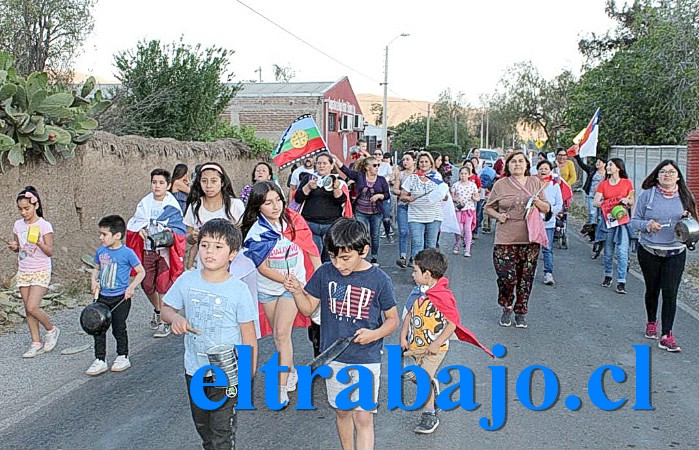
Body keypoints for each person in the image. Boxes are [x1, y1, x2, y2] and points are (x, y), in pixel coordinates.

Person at [284, 218, 399, 450]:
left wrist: (374, 334)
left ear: (364, 251)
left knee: (364, 416)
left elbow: (393, 320)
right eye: (334, 256)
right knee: (343, 411)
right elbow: (308, 309)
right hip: (334, 356)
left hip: (367, 357)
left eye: (345, 258)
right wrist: (297, 291)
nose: (338, 263)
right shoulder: (326, 273)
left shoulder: (380, 280)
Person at [161, 219, 258, 450]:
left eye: (217, 247)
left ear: (232, 253)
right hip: (195, 370)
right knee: (204, 428)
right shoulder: (187, 280)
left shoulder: (239, 290)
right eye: (204, 245)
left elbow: (249, 336)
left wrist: (247, 376)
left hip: (227, 374)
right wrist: (175, 319)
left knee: (221, 433)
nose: (209, 252)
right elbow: (166, 308)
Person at [241, 181, 321, 403]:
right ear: (258, 206)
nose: (275, 206)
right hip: (268, 289)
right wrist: (285, 279)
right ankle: (291, 370)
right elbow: (262, 267)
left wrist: (319, 275)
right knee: (279, 339)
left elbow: (310, 247)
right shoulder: (256, 232)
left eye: (278, 200)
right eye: (268, 202)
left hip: (293, 289)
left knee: (281, 335)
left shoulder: (293, 220)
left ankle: (281, 388)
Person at [400, 248, 492, 434]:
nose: (412, 274)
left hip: (436, 348)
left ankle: (429, 415)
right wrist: (403, 337)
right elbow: (409, 315)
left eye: (415, 271)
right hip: (416, 345)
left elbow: (452, 323)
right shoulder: (417, 293)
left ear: (427, 274)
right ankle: (432, 388)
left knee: (423, 378)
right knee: (413, 376)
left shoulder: (442, 296)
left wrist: (437, 343)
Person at [630, 160, 696, 352]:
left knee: (670, 292)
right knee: (652, 289)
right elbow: (634, 221)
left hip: (675, 251)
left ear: (678, 176)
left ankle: (667, 334)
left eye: (671, 172)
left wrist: (687, 220)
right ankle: (651, 321)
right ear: (657, 175)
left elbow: (694, 223)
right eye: (663, 172)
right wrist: (647, 225)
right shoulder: (647, 196)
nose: (667, 175)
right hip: (650, 250)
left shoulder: (685, 197)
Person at [485, 151, 551, 329]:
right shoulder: (500, 184)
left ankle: (521, 312)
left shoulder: (535, 182)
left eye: (521, 161)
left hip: (529, 237)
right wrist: (499, 216)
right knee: (506, 276)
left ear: (527, 165)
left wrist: (537, 202)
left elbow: (547, 208)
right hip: (505, 236)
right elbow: (488, 207)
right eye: (513, 161)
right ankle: (507, 305)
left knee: (525, 277)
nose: (517, 164)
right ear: (507, 165)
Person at [126, 168, 187, 338]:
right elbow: (135, 222)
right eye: (154, 182)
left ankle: (164, 321)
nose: (157, 186)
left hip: (164, 251)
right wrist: (140, 229)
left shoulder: (172, 205)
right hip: (147, 249)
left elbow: (178, 227)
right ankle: (158, 310)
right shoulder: (144, 203)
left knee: (162, 284)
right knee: (146, 284)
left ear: (168, 185)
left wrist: (169, 231)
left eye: (161, 183)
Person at [86, 215, 146, 376]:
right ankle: (100, 359)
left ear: (117, 235)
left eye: (104, 234)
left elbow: (141, 272)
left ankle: (122, 355)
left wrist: (132, 287)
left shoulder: (127, 253)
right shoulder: (101, 251)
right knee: (98, 328)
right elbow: (97, 268)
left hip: (121, 297)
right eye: (100, 234)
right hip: (103, 296)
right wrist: (94, 280)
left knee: (118, 327)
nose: (101, 238)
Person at [8, 187, 59, 358]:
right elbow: (19, 248)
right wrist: (15, 247)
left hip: (41, 269)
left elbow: (50, 251)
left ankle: (51, 329)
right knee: (28, 309)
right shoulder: (17, 225)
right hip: (24, 269)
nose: (23, 212)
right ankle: (35, 342)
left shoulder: (44, 225)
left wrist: (38, 242)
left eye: (26, 208)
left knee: (32, 306)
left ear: (35, 205)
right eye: (20, 209)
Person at [184, 162, 245, 268]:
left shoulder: (235, 205)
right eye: (204, 181)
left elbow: (243, 235)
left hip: (230, 265)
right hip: (203, 264)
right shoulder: (195, 206)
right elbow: (188, 237)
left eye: (214, 181)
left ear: (222, 182)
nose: (208, 186)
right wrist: (192, 236)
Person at [295, 153, 350, 262]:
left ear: (331, 165)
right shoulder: (309, 179)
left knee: (330, 258)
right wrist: (308, 187)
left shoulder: (339, 182)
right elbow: (298, 198)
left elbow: (343, 201)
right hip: (311, 225)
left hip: (331, 226)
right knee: (314, 258)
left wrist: (336, 188)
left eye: (325, 163)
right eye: (319, 163)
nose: (322, 166)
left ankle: (327, 278)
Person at [336, 155, 391, 265]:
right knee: (361, 234)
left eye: (378, 165)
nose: (377, 167)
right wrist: (335, 159)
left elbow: (387, 194)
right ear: (367, 167)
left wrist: (380, 196)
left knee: (374, 235)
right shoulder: (360, 176)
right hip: (361, 211)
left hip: (376, 212)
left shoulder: (381, 179)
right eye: (374, 165)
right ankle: (361, 256)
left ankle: (374, 257)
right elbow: (346, 170)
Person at [593, 158, 635, 294]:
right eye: (608, 165)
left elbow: (632, 200)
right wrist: (608, 203)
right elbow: (595, 202)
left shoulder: (627, 183)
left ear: (618, 168)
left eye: (611, 164)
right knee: (608, 251)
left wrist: (626, 201)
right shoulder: (603, 184)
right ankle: (608, 275)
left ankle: (621, 281)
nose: (608, 167)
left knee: (623, 252)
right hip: (608, 221)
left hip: (622, 221)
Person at [400, 152, 445, 261]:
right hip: (416, 215)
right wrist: (409, 198)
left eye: (426, 162)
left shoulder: (437, 177)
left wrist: (443, 196)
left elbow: (443, 194)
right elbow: (402, 195)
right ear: (418, 164)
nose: (424, 164)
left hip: (434, 215)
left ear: (431, 163)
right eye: (421, 162)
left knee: (430, 244)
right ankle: (417, 269)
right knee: (417, 243)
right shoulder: (412, 178)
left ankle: (429, 270)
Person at [536, 161, 564, 286]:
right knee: (532, 247)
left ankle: (548, 273)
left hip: (548, 221)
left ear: (550, 171)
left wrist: (549, 211)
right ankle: (529, 271)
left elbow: (559, 204)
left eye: (546, 168)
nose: (543, 171)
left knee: (547, 248)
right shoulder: (533, 184)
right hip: (534, 222)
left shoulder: (555, 186)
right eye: (541, 168)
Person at [393, 151, 416, 268]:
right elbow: (394, 189)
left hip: (416, 207)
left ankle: (413, 257)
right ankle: (402, 256)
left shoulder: (418, 174)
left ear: (414, 161)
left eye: (408, 159)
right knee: (403, 231)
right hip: (403, 205)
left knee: (414, 232)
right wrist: (403, 192)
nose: (405, 162)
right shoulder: (401, 174)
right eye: (404, 160)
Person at [450, 166, 479, 257]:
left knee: (467, 229)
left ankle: (467, 249)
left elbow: (477, 196)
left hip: (469, 210)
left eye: (465, 174)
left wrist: (475, 198)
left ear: (469, 174)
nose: (463, 175)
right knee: (459, 229)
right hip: (458, 209)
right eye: (462, 174)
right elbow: (452, 196)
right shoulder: (456, 185)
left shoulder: (472, 185)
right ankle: (457, 244)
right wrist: (456, 199)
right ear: (459, 174)